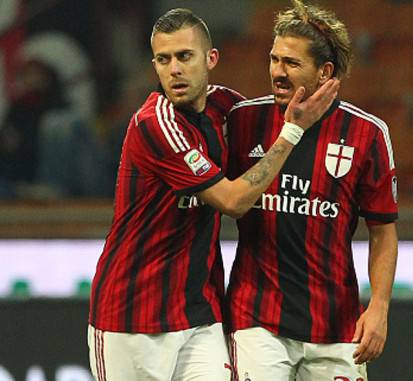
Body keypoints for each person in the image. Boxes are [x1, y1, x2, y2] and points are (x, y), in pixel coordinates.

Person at [88, 8, 339, 381]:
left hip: (198, 313)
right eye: (163, 59)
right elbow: (234, 201)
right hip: (132, 317)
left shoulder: (227, 107)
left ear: (211, 59)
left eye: (184, 57)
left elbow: (277, 126)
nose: (174, 69)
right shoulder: (156, 124)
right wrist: (292, 131)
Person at [225, 1, 398, 380]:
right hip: (257, 320)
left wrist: (380, 306)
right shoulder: (243, 120)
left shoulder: (367, 134)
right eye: (274, 59)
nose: (277, 72)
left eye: (291, 63)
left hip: (336, 327)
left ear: (325, 72)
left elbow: (383, 231)